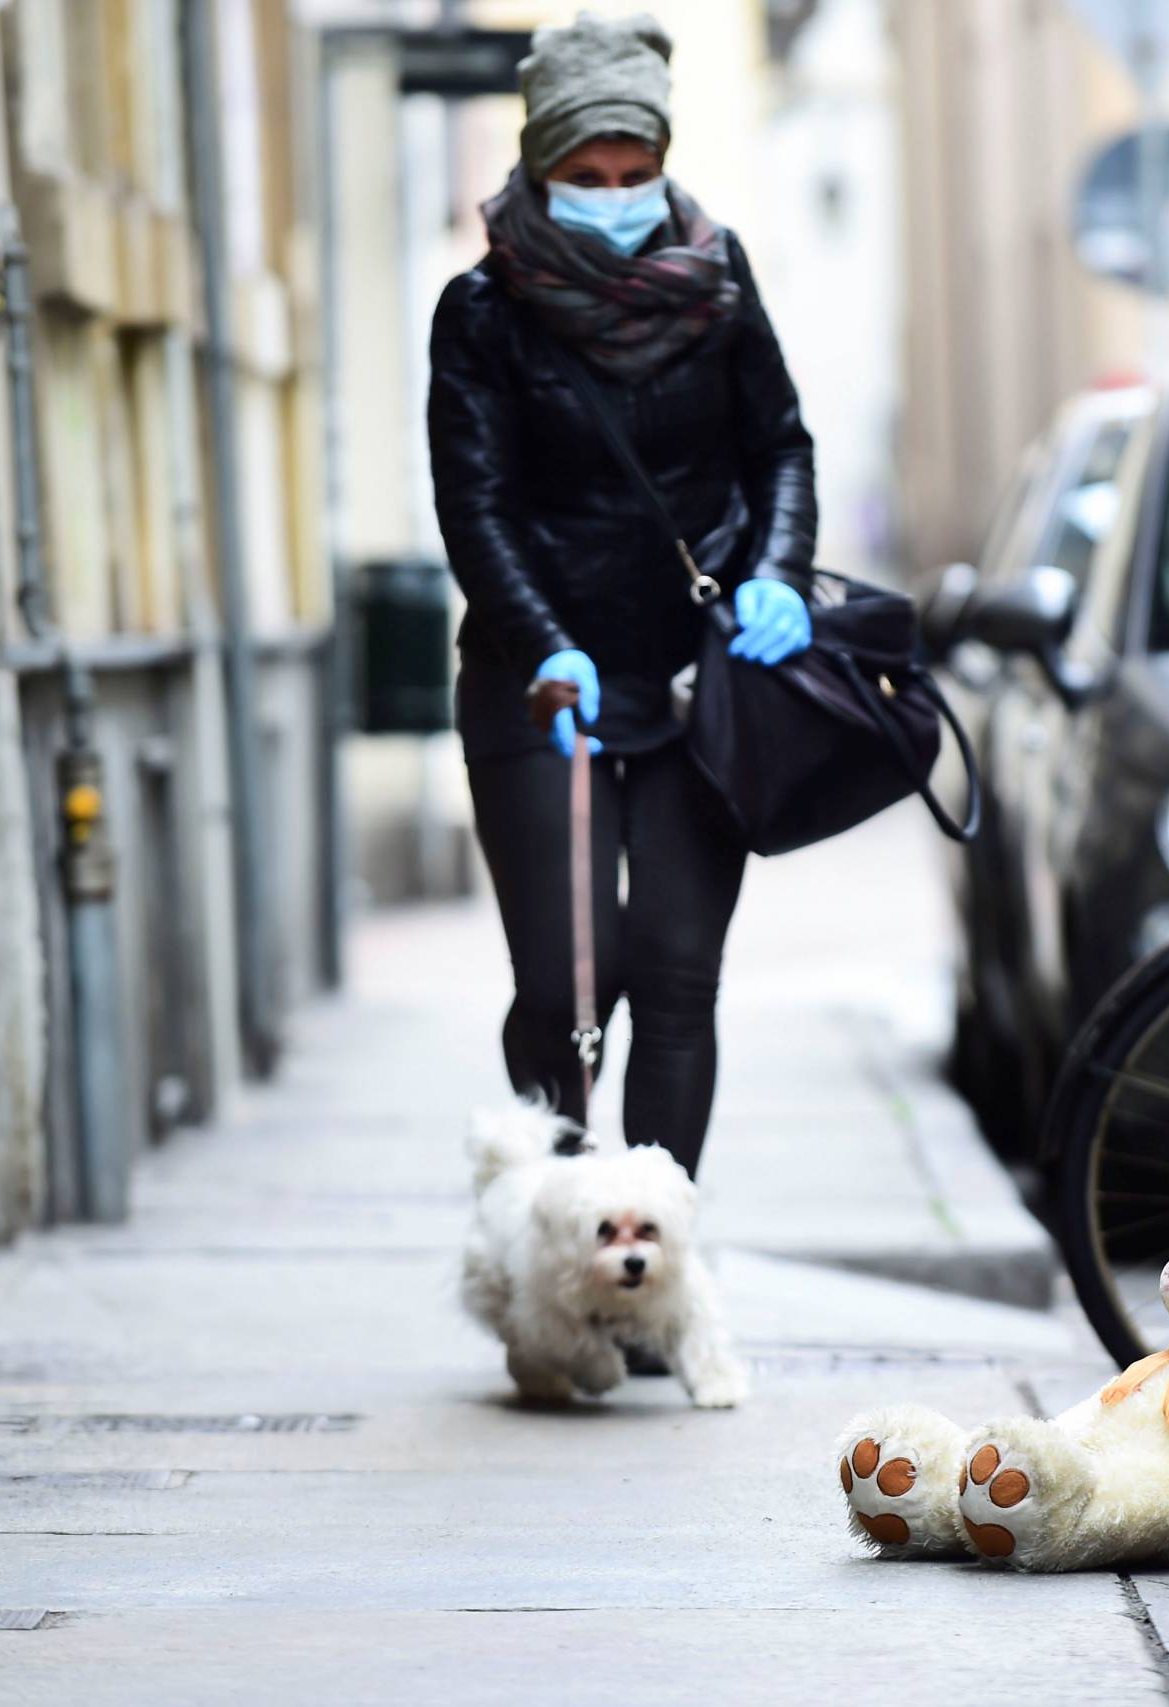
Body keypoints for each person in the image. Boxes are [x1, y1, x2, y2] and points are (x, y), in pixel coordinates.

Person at [427, 11, 816, 1179]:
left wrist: (774, 579)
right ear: (540, 167)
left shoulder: (721, 276)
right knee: (563, 985)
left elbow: (779, 448)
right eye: (585, 175)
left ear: (663, 161)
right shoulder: (483, 311)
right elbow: (476, 506)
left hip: (704, 680)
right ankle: (554, 1236)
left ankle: (653, 1261)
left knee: (677, 978)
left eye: (634, 171)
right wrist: (542, 641)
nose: (613, 192)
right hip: (540, 687)